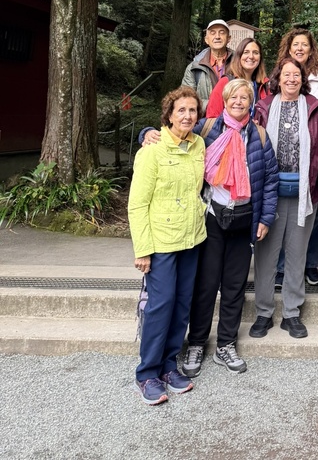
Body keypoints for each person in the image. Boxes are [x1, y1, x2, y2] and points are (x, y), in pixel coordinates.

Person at [140, 79, 279, 377]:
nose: (239, 102)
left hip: (245, 219)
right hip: (211, 218)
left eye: (245, 97)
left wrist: (266, 218)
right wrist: (145, 133)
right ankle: (197, 342)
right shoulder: (206, 129)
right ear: (225, 100)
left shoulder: (260, 136)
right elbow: (172, 130)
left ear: (251, 102)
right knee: (204, 285)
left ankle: (226, 343)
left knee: (234, 286)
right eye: (234, 97)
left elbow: (269, 181)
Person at [128, 86, 206, 405]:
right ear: (169, 115)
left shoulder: (198, 144)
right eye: (181, 110)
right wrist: (142, 249)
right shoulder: (152, 150)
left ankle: (169, 366)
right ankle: (147, 373)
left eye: (192, 111)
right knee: (161, 305)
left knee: (182, 303)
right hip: (160, 241)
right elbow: (137, 204)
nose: (187, 116)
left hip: (192, 237)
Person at [250, 58, 318, 339]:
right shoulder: (263, 108)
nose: (291, 79)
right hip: (269, 194)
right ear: (278, 78)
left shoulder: (313, 109)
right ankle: (263, 312)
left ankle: (291, 313)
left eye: (296, 75)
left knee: (297, 255)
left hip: (302, 195)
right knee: (266, 255)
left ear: (303, 79)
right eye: (286, 74)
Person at [274, 27, 318, 285]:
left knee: (314, 211)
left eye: (304, 45)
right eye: (295, 44)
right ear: (288, 48)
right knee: (280, 213)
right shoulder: (279, 74)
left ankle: (310, 264)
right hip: (284, 149)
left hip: (315, 143)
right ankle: (279, 265)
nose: (299, 48)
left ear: (311, 48)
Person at [205, 36, 270, 118]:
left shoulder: (264, 85)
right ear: (239, 56)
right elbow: (212, 116)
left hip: (256, 130)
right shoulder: (226, 82)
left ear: (260, 58)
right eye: (246, 52)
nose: (251, 56)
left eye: (255, 53)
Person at [182, 19, 233, 108]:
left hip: (235, 119)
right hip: (204, 120)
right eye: (212, 33)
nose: (217, 36)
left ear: (229, 38)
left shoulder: (239, 63)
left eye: (222, 32)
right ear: (206, 39)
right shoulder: (194, 67)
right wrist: (215, 105)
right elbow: (187, 99)